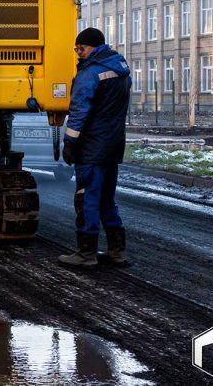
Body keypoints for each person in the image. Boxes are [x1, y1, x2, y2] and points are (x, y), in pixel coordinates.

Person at [58, 27, 132, 269]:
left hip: (91, 147)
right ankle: (117, 252)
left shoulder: (90, 73)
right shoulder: (121, 70)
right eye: (76, 49)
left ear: (94, 46)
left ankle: (86, 253)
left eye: (82, 48)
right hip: (113, 144)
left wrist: (69, 142)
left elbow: (79, 111)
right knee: (107, 199)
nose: (79, 53)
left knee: (87, 197)